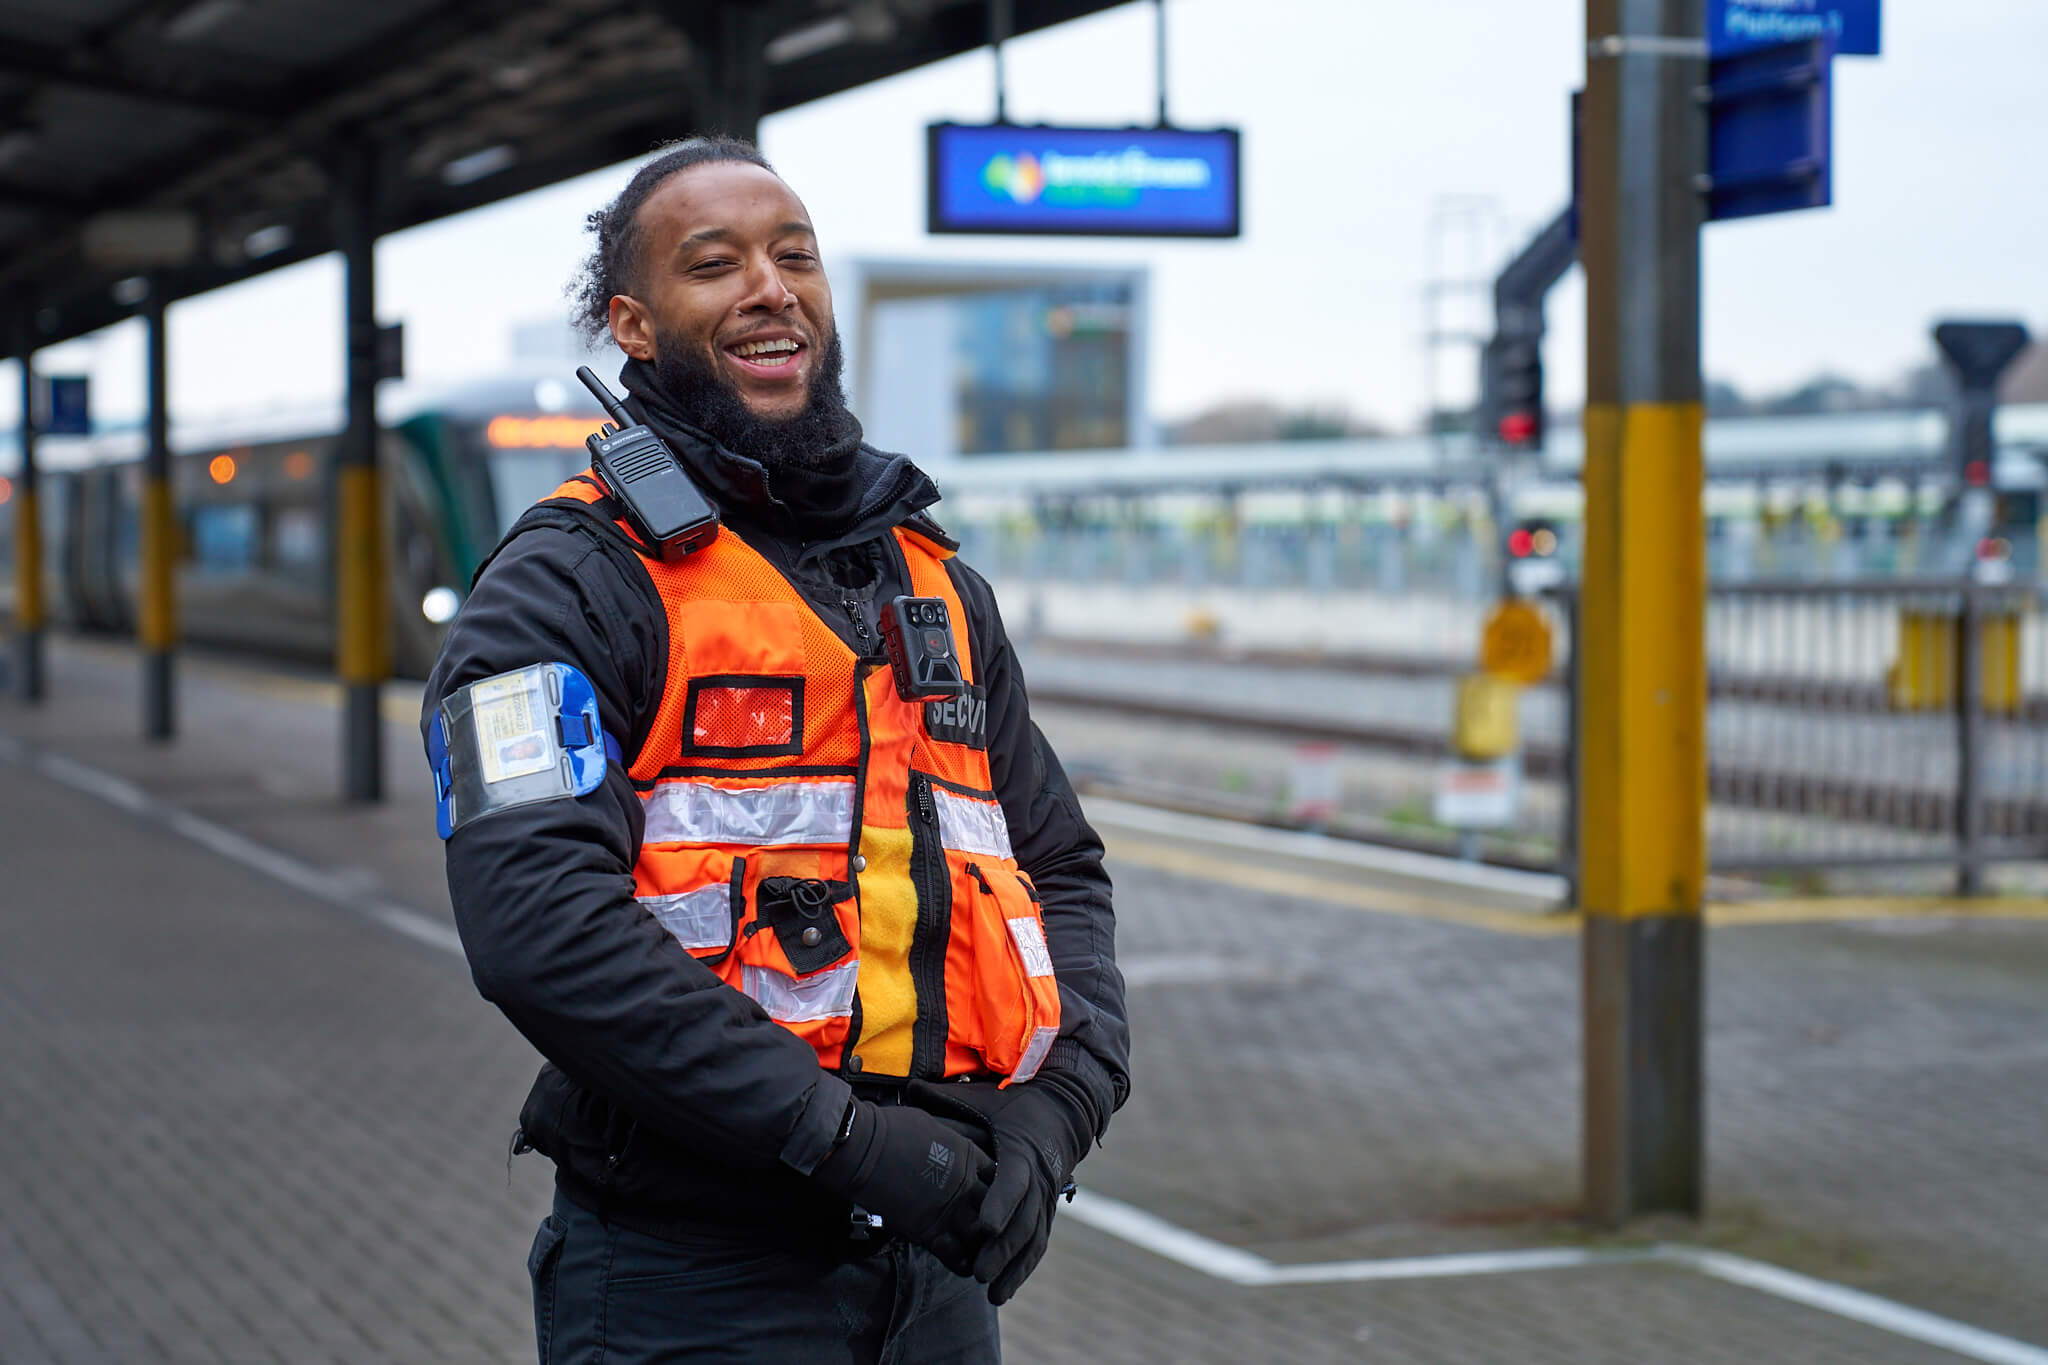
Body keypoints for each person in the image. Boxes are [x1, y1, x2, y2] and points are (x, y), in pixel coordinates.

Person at [422, 135, 1130, 1364]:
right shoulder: (561, 587)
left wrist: (1057, 1113)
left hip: (941, 1271)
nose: (769, 285)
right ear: (634, 325)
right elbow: (538, 926)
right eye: (715, 264)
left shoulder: (936, 589)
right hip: (694, 1285)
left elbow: (1059, 866)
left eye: (793, 255)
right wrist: (843, 1141)